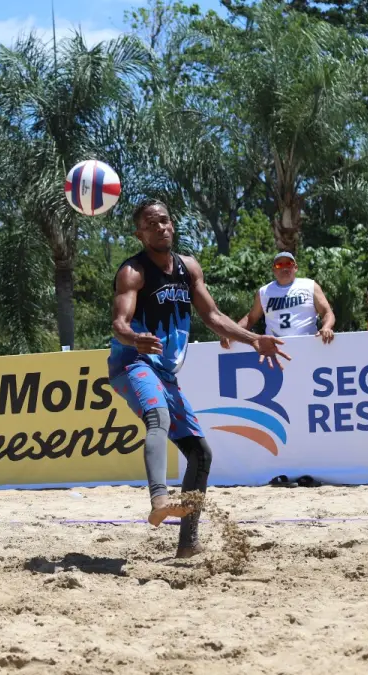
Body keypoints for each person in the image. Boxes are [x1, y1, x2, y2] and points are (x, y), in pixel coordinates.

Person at [109, 199, 290, 558]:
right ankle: (159, 497)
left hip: (165, 372)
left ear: (172, 225)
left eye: (165, 220)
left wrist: (255, 340)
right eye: (151, 223)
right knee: (156, 417)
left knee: (201, 454)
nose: (161, 227)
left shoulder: (188, 267)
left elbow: (213, 316)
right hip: (133, 362)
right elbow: (118, 324)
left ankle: (188, 544)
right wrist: (134, 338)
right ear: (139, 234)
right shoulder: (133, 271)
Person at [222, 251, 335, 347]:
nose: (284, 268)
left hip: (307, 345)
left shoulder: (310, 286)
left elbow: (327, 312)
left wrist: (326, 327)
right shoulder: (264, 291)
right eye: (279, 265)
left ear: (295, 267)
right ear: (274, 270)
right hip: (275, 348)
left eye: (289, 264)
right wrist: (231, 334)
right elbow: (251, 319)